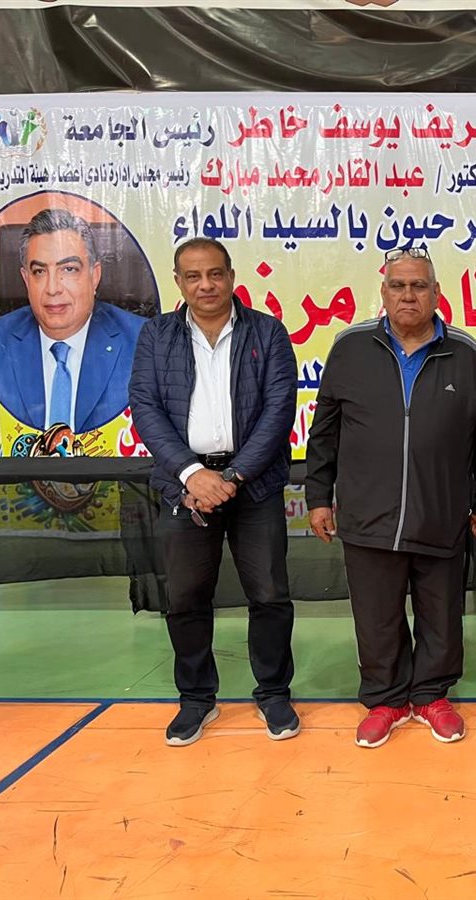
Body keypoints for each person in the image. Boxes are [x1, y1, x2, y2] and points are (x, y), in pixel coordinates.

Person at [305, 247, 476, 749]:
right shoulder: (350, 349)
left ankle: (431, 696)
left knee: (441, 616)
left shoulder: (467, 354)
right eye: (398, 286)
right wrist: (318, 496)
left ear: (437, 294)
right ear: (384, 292)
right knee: (377, 618)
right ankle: (386, 700)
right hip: (367, 514)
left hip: (441, 512)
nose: (408, 295)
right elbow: (324, 432)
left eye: (419, 286)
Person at [128, 237, 299, 747]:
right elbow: (145, 407)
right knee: (184, 597)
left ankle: (274, 692)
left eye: (215, 274)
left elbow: (278, 411)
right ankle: (197, 699)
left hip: (254, 485)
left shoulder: (267, 332)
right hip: (185, 488)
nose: (206, 285)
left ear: (231, 276)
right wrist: (191, 474)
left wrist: (233, 477)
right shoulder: (156, 335)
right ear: (178, 282)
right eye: (194, 276)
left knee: (269, 595)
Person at [0, 208, 145, 433]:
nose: (53, 288)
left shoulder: (147, 344)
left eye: (69, 269)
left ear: (94, 275)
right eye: (39, 272)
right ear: (26, 279)